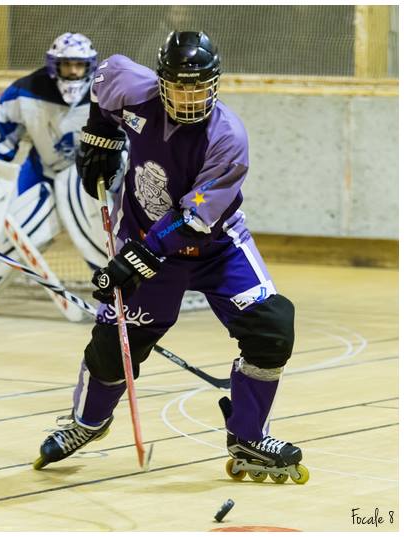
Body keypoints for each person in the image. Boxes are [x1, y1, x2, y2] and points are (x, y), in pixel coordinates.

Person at [32, 31, 308, 485]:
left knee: (272, 328)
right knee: (112, 348)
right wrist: (100, 138)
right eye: (178, 85)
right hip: (143, 235)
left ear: (214, 85)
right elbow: (101, 89)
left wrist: (133, 261)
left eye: (198, 86)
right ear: (162, 82)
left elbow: (194, 219)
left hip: (214, 246)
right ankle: (87, 422)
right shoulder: (126, 82)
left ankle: (248, 435)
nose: (187, 96)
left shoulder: (227, 137)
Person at [0, 32, 107, 315]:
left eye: (79, 65)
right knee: (6, 234)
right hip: (44, 174)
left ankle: (121, 299)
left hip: (92, 180)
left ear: (90, 65)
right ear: (54, 65)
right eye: (67, 65)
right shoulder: (27, 90)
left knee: (100, 237)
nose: (73, 71)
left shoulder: (107, 91)